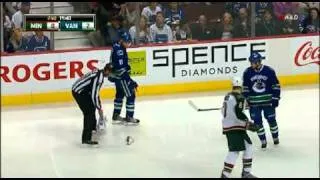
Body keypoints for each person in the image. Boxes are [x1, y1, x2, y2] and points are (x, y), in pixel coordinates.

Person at [220, 77, 259, 178]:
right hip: (234, 127)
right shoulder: (239, 97)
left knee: (248, 146)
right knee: (234, 151)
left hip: (232, 126)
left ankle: (246, 172)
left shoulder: (228, 96)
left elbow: (227, 110)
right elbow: (239, 114)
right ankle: (225, 175)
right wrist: (248, 124)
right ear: (241, 86)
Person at [242, 51, 281, 149]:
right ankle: (263, 140)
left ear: (259, 61)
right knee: (257, 122)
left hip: (268, 102)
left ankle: (275, 138)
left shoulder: (269, 71)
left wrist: (275, 98)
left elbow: (276, 85)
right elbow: (245, 88)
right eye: (251, 62)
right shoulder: (247, 72)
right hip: (254, 103)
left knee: (271, 120)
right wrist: (246, 99)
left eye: (254, 62)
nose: (252, 64)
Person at [71, 63, 113, 145]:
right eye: (111, 73)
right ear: (107, 71)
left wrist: (98, 106)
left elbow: (94, 93)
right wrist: (99, 108)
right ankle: (86, 139)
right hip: (79, 92)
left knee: (92, 107)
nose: (111, 75)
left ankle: (93, 127)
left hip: (82, 91)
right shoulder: (99, 78)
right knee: (89, 113)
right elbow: (94, 95)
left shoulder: (99, 72)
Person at [109, 30, 140, 125]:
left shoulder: (117, 46)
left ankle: (116, 115)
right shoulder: (119, 50)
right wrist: (130, 81)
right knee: (131, 94)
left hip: (117, 78)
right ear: (121, 40)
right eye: (127, 42)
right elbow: (120, 69)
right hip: (121, 78)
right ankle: (129, 116)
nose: (129, 44)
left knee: (120, 95)